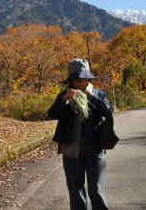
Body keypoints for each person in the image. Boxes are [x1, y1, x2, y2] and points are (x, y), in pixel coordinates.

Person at [48, 58, 112, 210]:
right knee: (75, 189)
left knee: (96, 189)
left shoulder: (98, 94)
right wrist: (64, 99)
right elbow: (51, 114)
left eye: (83, 79)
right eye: (76, 79)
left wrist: (92, 96)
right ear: (71, 80)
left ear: (88, 78)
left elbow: (108, 112)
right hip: (71, 149)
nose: (79, 82)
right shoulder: (64, 96)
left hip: (95, 149)